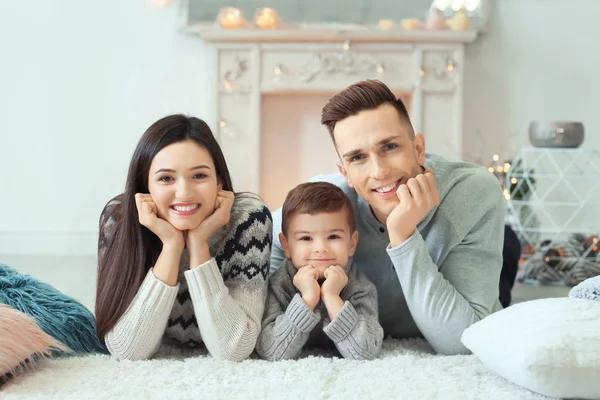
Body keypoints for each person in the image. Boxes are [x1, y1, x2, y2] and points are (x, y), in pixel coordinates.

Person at [270, 80, 509, 355]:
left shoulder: (473, 190)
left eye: (390, 147)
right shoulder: (329, 200)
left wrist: (403, 235)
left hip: (463, 251)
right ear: (344, 170)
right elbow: (274, 241)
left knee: (504, 265)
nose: (380, 171)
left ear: (418, 148)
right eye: (358, 157)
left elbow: (462, 343)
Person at [95, 114, 273, 361]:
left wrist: (199, 245)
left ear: (219, 182)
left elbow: (234, 349)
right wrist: (171, 246)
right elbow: (127, 351)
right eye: (166, 178)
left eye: (199, 176)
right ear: (145, 187)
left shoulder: (249, 219)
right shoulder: (119, 220)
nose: (184, 193)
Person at [257, 182, 384, 361]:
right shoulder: (279, 284)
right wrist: (307, 299)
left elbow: (366, 353)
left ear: (352, 243)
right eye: (306, 238)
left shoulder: (360, 287)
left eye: (333, 237)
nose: (320, 248)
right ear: (286, 245)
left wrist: (333, 298)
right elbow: (271, 350)